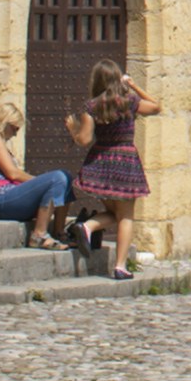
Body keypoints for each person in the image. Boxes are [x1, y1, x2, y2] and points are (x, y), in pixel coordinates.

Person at [67, 62, 157, 273]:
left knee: (113, 211)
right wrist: (134, 86)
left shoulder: (92, 106)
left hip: (102, 160)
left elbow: (84, 139)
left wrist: (73, 129)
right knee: (125, 215)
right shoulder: (130, 102)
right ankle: (120, 266)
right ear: (117, 79)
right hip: (125, 161)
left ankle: (87, 226)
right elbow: (156, 106)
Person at [0, 104, 75, 245]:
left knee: (66, 178)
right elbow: (12, 173)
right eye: (15, 129)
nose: (15, 134)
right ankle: (39, 235)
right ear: (5, 123)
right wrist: (41, 182)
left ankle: (59, 233)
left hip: (9, 195)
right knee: (58, 178)